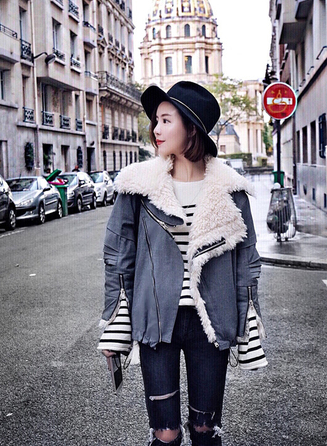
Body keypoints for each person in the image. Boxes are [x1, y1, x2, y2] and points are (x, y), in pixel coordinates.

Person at [99, 81, 265, 446]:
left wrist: (247, 324)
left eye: (165, 120)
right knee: (165, 433)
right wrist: (115, 325)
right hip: (157, 321)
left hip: (211, 324)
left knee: (206, 431)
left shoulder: (230, 191)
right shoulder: (138, 188)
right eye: (156, 121)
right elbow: (119, 258)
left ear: (191, 128)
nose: (156, 129)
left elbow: (246, 264)